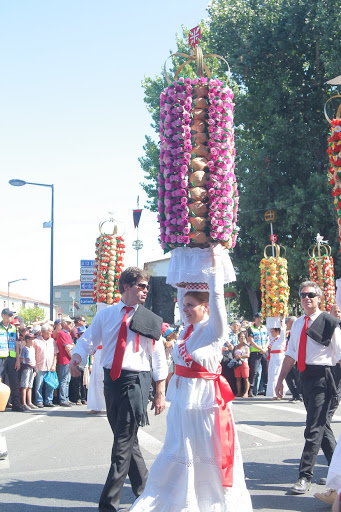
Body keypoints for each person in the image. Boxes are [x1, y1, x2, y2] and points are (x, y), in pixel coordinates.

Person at [130, 245, 252, 512]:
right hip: (183, 404)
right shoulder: (186, 331)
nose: (184, 308)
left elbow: (217, 297)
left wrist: (214, 267)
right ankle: (178, 501)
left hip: (206, 405)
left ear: (205, 306)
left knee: (204, 457)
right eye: (183, 303)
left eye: (190, 305)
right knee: (179, 455)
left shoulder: (213, 331)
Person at [69, 266, 168, 512]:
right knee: (128, 440)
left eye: (147, 287)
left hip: (137, 381)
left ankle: (108, 504)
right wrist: (77, 357)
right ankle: (147, 493)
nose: (145, 290)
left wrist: (160, 391)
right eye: (140, 286)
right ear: (126, 286)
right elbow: (89, 339)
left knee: (122, 442)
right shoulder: (107, 314)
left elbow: (157, 356)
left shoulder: (150, 318)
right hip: (111, 380)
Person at [275, 281, 341, 495]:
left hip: (325, 377)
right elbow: (291, 353)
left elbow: (340, 354)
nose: (307, 298)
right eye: (303, 295)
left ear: (319, 297)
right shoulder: (297, 324)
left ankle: (305, 476)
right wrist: (280, 380)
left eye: (311, 294)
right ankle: (337, 473)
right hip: (306, 377)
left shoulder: (330, 322)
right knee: (322, 427)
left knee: (313, 428)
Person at [0, 308, 25, 412]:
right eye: (9, 315)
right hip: (1, 358)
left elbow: (16, 344)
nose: (11, 317)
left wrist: (17, 360)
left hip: (12, 358)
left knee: (14, 382)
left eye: (11, 315)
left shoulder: (13, 328)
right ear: (3, 316)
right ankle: (2, 403)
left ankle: (15, 404)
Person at [33, 323, 58, 407]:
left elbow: (55, 354)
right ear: (44, 332)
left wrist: (54, 365)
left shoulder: (52, 341)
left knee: (50, 385)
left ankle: (48, 401)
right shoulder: (36, 341)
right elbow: (33, 354)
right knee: (39, 385)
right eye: (49, 331)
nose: (51, 333)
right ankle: (39, 401)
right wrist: (35, 366)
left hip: (50, 367)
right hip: (40, 366)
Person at [247, 313, 269, 397]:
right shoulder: (251, 328)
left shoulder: (264, 327)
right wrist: (260, 349)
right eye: (260, 317)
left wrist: (265, 348)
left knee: (265, 370)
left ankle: (266, 388)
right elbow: (251, 340)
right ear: (256, 318)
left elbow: (267, 339)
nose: (262, 319)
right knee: (254, 371)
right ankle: (251, 389)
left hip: (264, 351)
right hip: (255, 352)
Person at [266, 320, 288, 399]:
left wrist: (281, 321)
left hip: (279, 358)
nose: (271, 332)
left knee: (277, 375)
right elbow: (268, 329)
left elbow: (283, 330)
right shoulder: (272, 339)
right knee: (272, 375)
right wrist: (270, 318)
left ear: (277, 331)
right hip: (272, 358)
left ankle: (280, 393)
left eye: (273, 331)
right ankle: (274, 393)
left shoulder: (281, 339)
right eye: (271, 331)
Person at [56, 316, 75, 407]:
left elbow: (72, 345)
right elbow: (68, 347)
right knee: (64, 379)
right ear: (63, 324)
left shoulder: (67, 333)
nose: (71, 324)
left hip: (68, 359)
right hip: (64, 359)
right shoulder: (62, 333)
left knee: (67, 380)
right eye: (68, 322)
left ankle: (66, 398)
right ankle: (63, 399)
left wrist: (71, 346)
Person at [284, 316, 303, 403]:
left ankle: (299, 395)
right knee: (288, 377)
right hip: (290, 357)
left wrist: (294, 357)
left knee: (297, 377)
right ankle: (294, 394)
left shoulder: (297, 332)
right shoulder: (291, 333)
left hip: (296, 358)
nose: (286, 324)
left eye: (287, 322)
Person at [19, 332, 38, 410]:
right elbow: (21, 359)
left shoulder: (32, 348)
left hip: (32, 368)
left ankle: (29, 402)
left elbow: (34, 359)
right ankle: (24, 403)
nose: (32, 340)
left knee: (30, 386)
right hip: (26, 367)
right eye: (31, 339)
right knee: (24, 386)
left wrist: (35, 368)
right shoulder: (24, 348)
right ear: (27, 340)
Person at [233, 330, 250, 398]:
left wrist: (241, 356)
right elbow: (234, 354)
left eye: (243, 337)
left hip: (244, 362)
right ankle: (239, 392)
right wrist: (236, 356)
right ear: (238, 338)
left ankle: (246, 392)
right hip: (237, 363)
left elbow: (248, 355)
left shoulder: (246, 346)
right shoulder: (236, 346)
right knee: (238, 378)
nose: (242, 338)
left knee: (246, 378)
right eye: (241, 337)